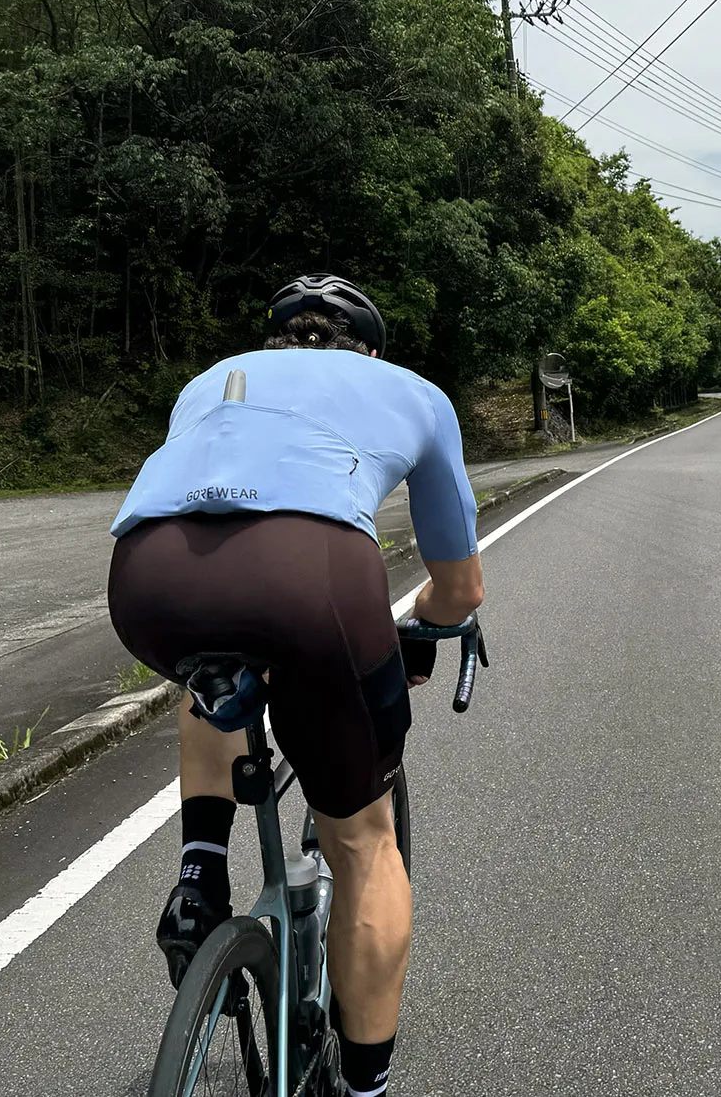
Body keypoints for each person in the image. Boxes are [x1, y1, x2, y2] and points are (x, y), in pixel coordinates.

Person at [105, 274, 483, 1097]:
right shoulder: (410, 391)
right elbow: (460, 588)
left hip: (146, 582)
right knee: (363, 843)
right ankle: (365, 1085)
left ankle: (201, 875)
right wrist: (428, 617)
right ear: (370, 349)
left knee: (213, 672)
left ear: (275, 340)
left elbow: (217, 520)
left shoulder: (210, 382)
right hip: (310, 580)